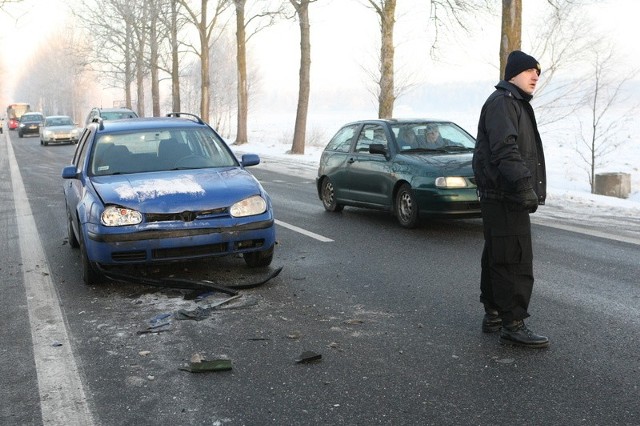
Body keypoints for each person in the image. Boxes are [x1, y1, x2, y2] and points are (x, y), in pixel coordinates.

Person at [472, 50, 549, 348]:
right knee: (513, 258)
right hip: (505, 194)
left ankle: (493, 313)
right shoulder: (504, 102)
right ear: (512, 74)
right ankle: (512, 324)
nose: (535, 76)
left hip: (499, 193)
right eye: (530, 70)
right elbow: (505, 149)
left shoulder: (511, 103)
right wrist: (522, 186)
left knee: (497, 253)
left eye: (538, 73)